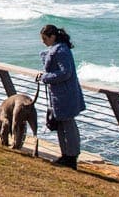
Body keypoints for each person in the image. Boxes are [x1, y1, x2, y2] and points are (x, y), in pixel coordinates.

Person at [37, 24, 86, 169]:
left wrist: (45, 77)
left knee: (67, 125)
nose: (43, 42)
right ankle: (67, 155)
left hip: (64, 95)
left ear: (53, 37)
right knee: (62, 125)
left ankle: (70, 156)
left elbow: (66, 73)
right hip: (61, 94)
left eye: (45, 39)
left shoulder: (61, 51)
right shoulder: (61, 49)